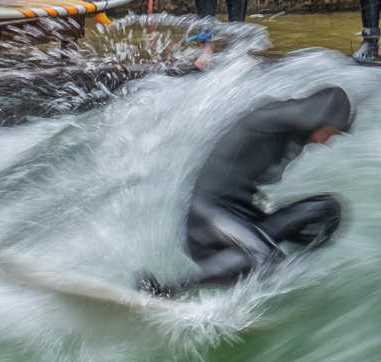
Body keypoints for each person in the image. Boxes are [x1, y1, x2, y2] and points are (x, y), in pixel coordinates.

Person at [138, 86, 352, 297]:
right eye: (330, 132)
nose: (327, 142)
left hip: (241, 217)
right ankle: (166, 289)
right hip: (207, 220)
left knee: (328, 209)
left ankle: (297, 275)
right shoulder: (272, 119)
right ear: (314, 118)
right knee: (267, 258)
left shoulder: (292, 129)